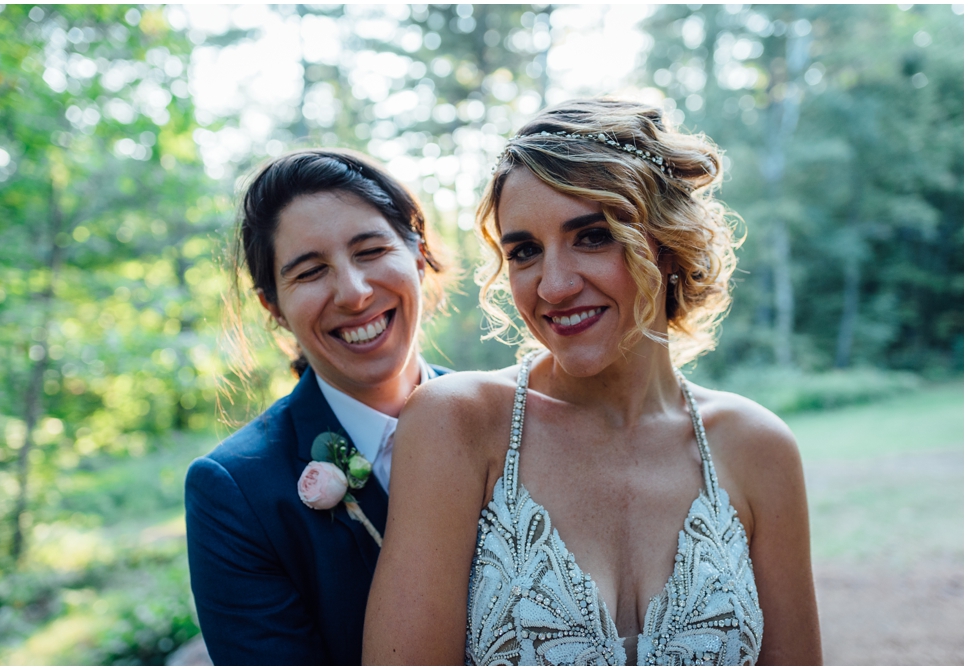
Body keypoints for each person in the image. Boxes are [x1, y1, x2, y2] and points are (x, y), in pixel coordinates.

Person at [364, 99, 822, 665]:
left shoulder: (758, 447)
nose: (552, 286)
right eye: (525, 251)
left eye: (593, 236)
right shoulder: (456, 423)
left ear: (667, 242)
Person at [185, 148, 451, 664]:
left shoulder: (516, 417)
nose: (353, 294)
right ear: (274, 308)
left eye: (371, 250)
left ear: (417, 255)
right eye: (309, 272)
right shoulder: (233, 493)